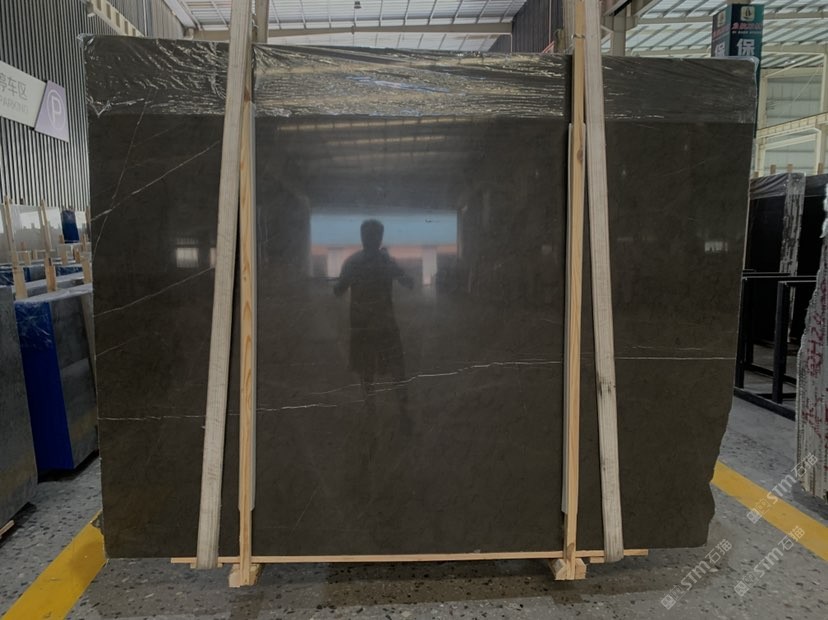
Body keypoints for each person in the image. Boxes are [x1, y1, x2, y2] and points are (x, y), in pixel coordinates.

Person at [334, 219, 413, 408]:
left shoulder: (353, 262)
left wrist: (341, 282)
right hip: (385, 322)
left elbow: (339, 290)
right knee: (396, 364)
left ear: (362, 237)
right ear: (380, 238)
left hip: (362, 323)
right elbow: (408, 282)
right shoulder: (385, 260)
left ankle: (370, 404)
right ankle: (402, 402)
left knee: (365, 367)